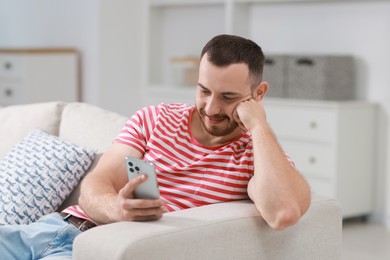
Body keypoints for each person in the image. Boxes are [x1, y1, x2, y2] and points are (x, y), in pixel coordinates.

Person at [0, 34, 311, 259]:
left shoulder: (254, 155)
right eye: (204, 91)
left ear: (258, 93)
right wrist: (117, 209)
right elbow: (96, 184)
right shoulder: (155, 118)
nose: (212, 108)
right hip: (52, 228)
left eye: (228, 97)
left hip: (100, 250)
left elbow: (283, 212)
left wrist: (259, 126)